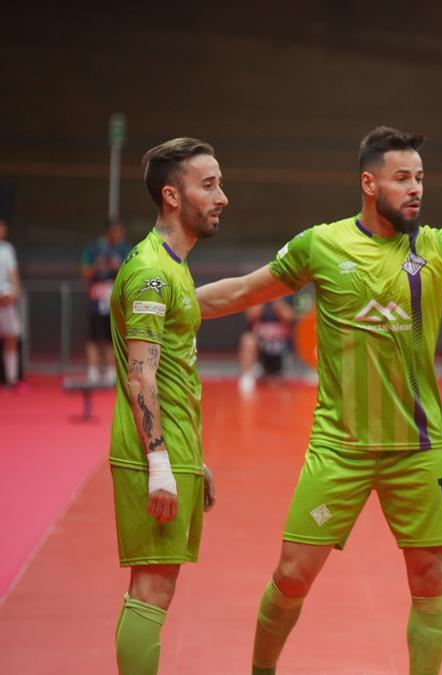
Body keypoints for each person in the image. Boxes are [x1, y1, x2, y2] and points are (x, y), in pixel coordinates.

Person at [195, 126, 442, 675]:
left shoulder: (440, 245)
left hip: (418, 446)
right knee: (292, 574)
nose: (415, 189)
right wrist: (175, 300)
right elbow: (245, 290)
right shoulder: (321, 244)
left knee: (430, 579)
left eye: (419, 179)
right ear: (369, 183)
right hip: (339, 446)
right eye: (402, 178)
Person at [108, 138, 223, 674]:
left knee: (162, 583)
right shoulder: (152, 270)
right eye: (209, 185)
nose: (222, 196)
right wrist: (159, 462)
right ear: (172, 197)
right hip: (151, 453)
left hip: (174, 445)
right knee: (150, 586)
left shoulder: (175, 266)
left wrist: (188, 458)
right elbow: (141, 375)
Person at [81, 220, 133, 382]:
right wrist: (97, 267)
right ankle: (93, 371)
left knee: (114, 336)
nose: (114, 234)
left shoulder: (126, 250)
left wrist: (117, 267)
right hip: (97, 299)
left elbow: (131, 273)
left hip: (116, 298)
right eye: (112, 231)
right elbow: (85, 273)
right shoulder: (94, 250)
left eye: (117, 231)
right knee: (94, 337)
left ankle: (111, 371)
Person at [237, 297, 295, 394]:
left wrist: (276, 300)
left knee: (276, 385)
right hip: (261, 346)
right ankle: (246, 377)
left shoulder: (286, 297)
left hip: (280, 346)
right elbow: (250, 316)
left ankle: (276, 372)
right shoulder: (258, 297)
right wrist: (263, 299)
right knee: (248, 340)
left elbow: (289, 317)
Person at [0, 219, 23, 391]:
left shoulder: (7, 249)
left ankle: (12, 378)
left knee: (11, 337)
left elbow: (13, 274)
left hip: (6, 300)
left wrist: (14, 293)